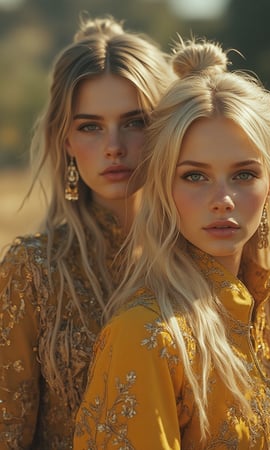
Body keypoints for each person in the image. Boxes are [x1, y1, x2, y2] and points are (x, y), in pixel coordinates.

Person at [74, 38, 270, 449]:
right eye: (194, 176)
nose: (222, 199)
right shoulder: (146, 336)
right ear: (162, 188)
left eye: (244, 174)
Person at [0, 14, 174, 449]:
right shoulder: (33, 272)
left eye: (135, 122)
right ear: (65, 140)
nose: (113, 146)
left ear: (167, 131)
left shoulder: (203, 259)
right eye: (90, 126)